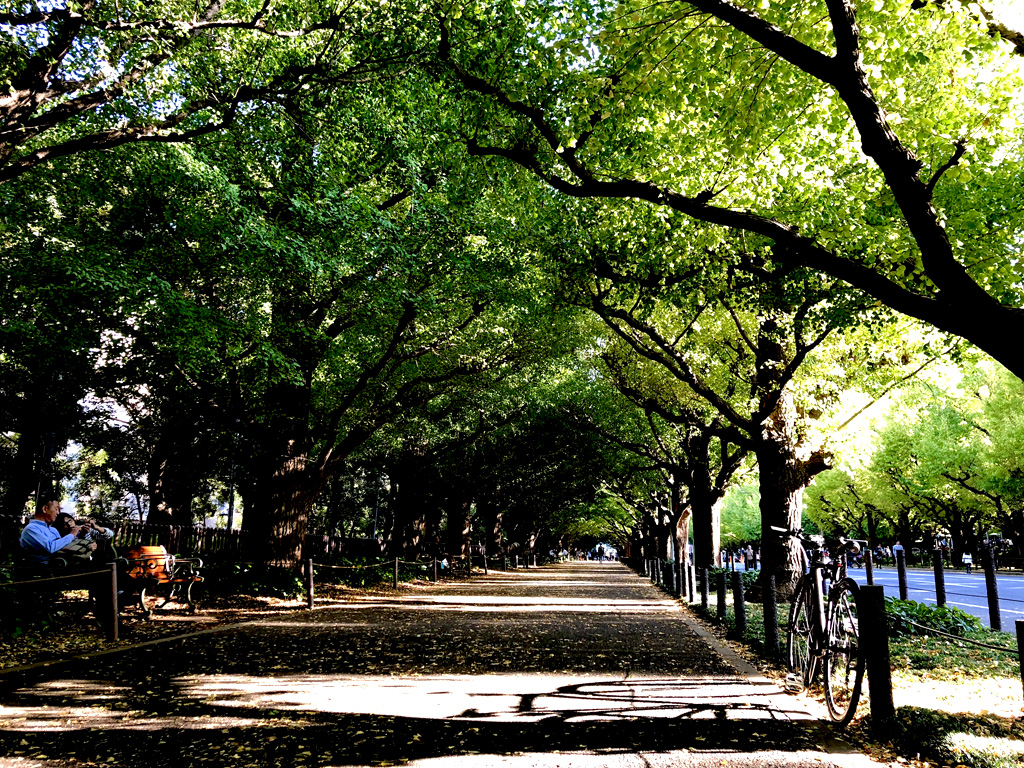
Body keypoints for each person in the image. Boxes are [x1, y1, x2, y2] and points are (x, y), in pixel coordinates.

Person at [19, 495, 81, 565]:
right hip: (39, 571)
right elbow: (51, 548)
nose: (57, 513)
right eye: (56, 509)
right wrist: (71, 535)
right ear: (45, 509)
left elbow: (63, 547)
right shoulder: (31, 529)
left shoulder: (53, 529)